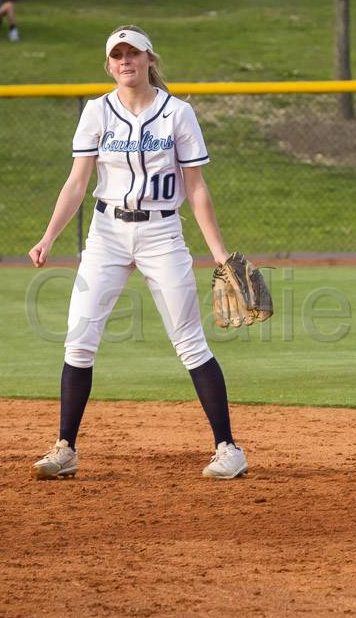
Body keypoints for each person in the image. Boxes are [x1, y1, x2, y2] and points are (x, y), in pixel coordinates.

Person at [27, 25, 249, 483]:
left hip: (162, 233)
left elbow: (196, 187)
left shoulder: (177, 114)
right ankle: (65, 448)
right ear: (109, 66)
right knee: (79, 339)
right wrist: (49, 237)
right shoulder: (96, 112)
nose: (125, 61)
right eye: (117, 56)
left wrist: (221, 256)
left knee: (189, 341)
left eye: (134, 54)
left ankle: (228, 449)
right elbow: (77, 182)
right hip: (106, 233)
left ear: (150, 60)